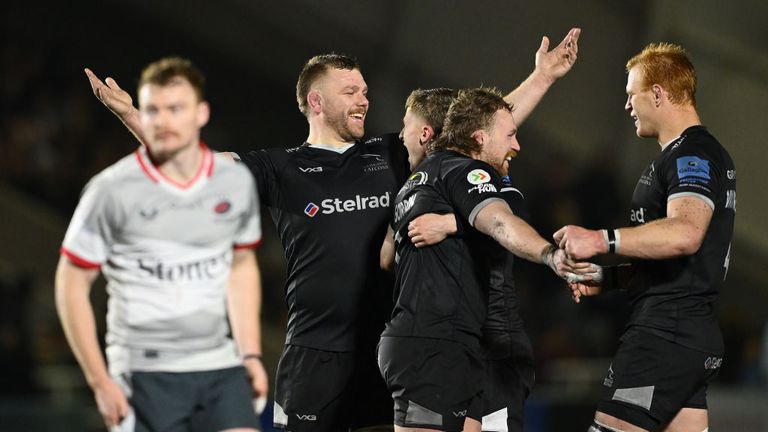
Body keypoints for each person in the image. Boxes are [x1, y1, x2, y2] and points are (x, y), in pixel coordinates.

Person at [84, 28, 579, 432]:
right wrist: (133, 116)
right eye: (352, 91)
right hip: (313, 356)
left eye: (364, 90)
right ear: (316, 102)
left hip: (388, 348)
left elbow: (477, 132)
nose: (365, 99)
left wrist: (541, 79)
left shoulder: (391, 154)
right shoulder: (279, 168)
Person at [57, 57, 267, 432]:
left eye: (176, 109)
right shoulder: (110, 191)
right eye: (154, 110)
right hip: (143, 370)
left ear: (201, 113)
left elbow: (242, 268)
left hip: (216, 364)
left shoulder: (232, 185)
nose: (165, 121)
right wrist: (98, 380)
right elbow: (71, 284)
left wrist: (249, 352)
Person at [378, 87, 585, 432]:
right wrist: (550, 255)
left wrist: (452, 224)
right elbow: (502, 221)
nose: (517, 146)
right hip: (437, 344)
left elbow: (387, 258)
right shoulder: (468, 172)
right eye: (511, 136)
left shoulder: (414, 184)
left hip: (440, 342)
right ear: (477, 138)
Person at [554, 43, 736, 432]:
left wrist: (600, 239)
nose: (626, 106)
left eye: (630, 95)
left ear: (658, 93)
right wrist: (606, 279)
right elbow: (674, 261)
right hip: (687, 336)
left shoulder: (694, 153)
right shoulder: (685, 154)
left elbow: (686, 233)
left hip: (665, 335)